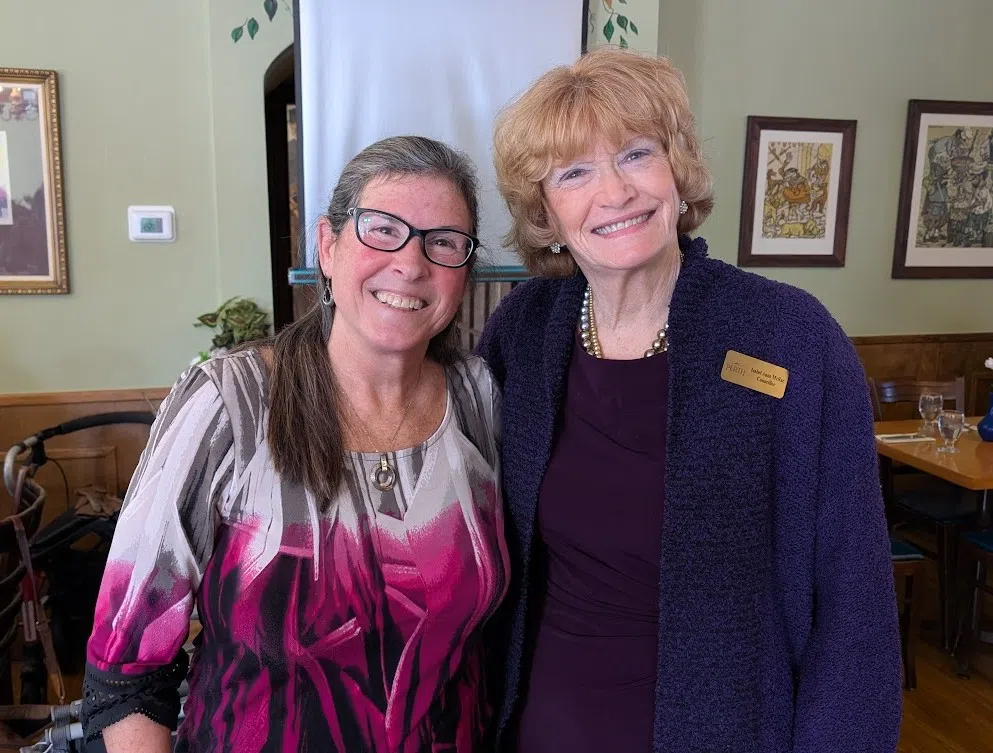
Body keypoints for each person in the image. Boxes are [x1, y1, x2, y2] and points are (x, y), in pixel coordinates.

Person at [476, 47, 902, 753]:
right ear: (544, 213)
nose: (613, 192)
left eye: (635, 154)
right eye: (574, 172)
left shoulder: (788, 337)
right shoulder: (522, 332)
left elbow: (853, 606)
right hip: (537, 726)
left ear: (676, 169)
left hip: (727, 726)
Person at [80, 136, 509, 753]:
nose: (411, 265)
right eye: (381, 229)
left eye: (442, 242)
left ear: (463, 272)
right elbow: (126, 670)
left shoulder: (482, 401)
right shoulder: (229, 404)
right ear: (328, 246)